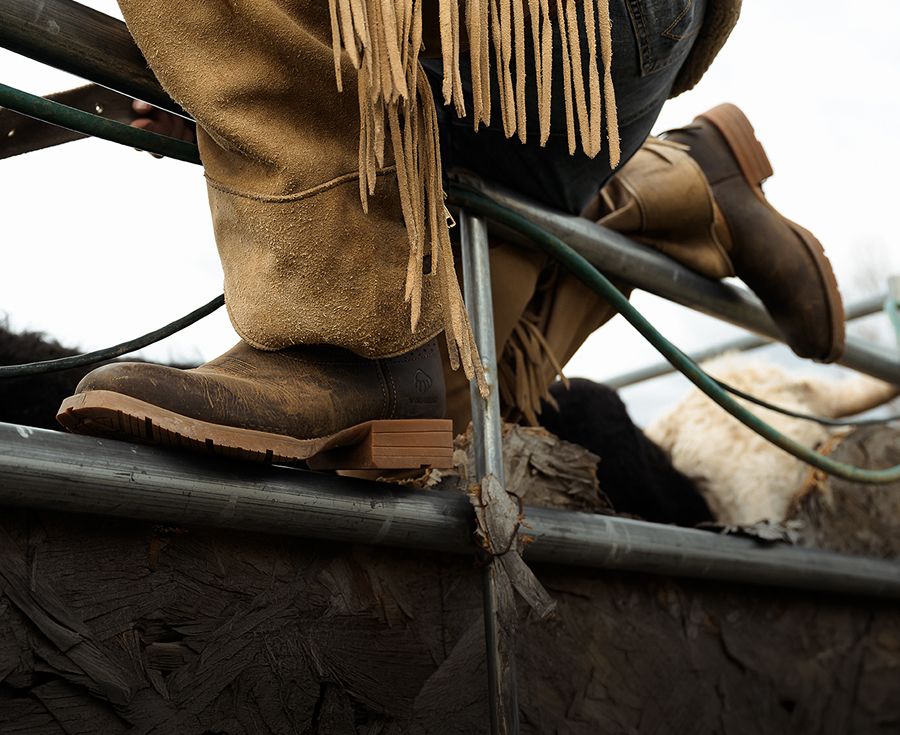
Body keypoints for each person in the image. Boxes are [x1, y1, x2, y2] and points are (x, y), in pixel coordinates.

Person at [58, 2, 838, 470]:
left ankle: (343, 342)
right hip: (595, 62)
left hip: (573, 26)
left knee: (390, 357)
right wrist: (239, 63)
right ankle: (681, 186)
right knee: (455, 410)